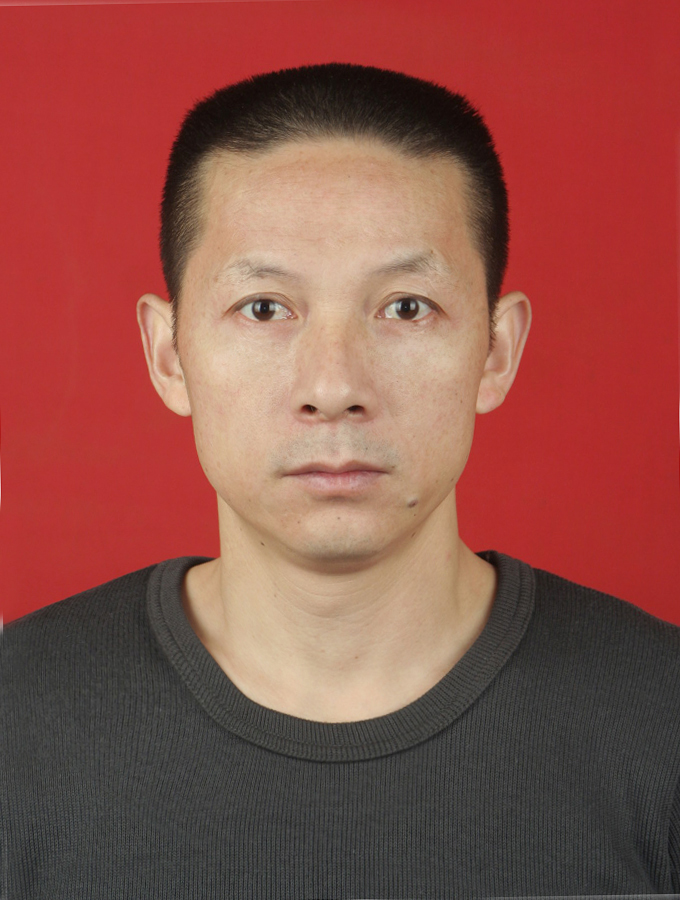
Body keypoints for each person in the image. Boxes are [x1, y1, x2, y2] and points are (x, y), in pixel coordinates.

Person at [2, 63, 679, 899]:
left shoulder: (663, 721)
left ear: (496, 352)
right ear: (169, 355)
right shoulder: (14, 720)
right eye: (264, 308)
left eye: (406, 307)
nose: (333, 386)